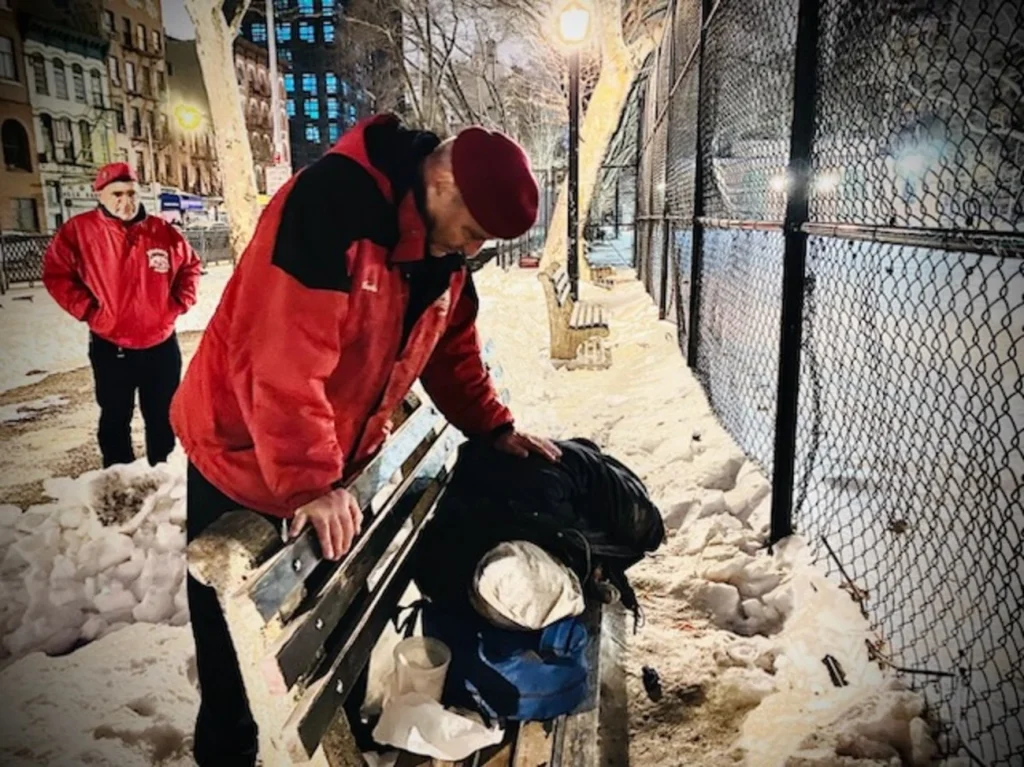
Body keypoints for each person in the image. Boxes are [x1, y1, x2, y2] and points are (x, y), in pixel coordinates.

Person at [171, 113, 562, 765]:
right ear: (442, 181)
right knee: (235, 680)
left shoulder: (439, 255)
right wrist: (311, 482)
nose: (469, 250)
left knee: (317, 655)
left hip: (323, 474)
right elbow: (284, 354)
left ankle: (340, 730)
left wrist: (495, 426)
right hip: (238, 456)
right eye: (470, 232)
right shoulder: (333, 204)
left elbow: (451, 350)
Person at [42, 162, 202, 468]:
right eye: (116, 193)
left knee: (163, 416)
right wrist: (89, 310)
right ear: (100, 195)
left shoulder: (162, 232)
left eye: (131, 192)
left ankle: (162, 478)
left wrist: (179, 302)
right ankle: (119, 479)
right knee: (115, 417)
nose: (125, 200)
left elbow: (191, 267)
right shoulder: (79, 232)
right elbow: (57, 274)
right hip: (111, 343)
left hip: (160, 344)